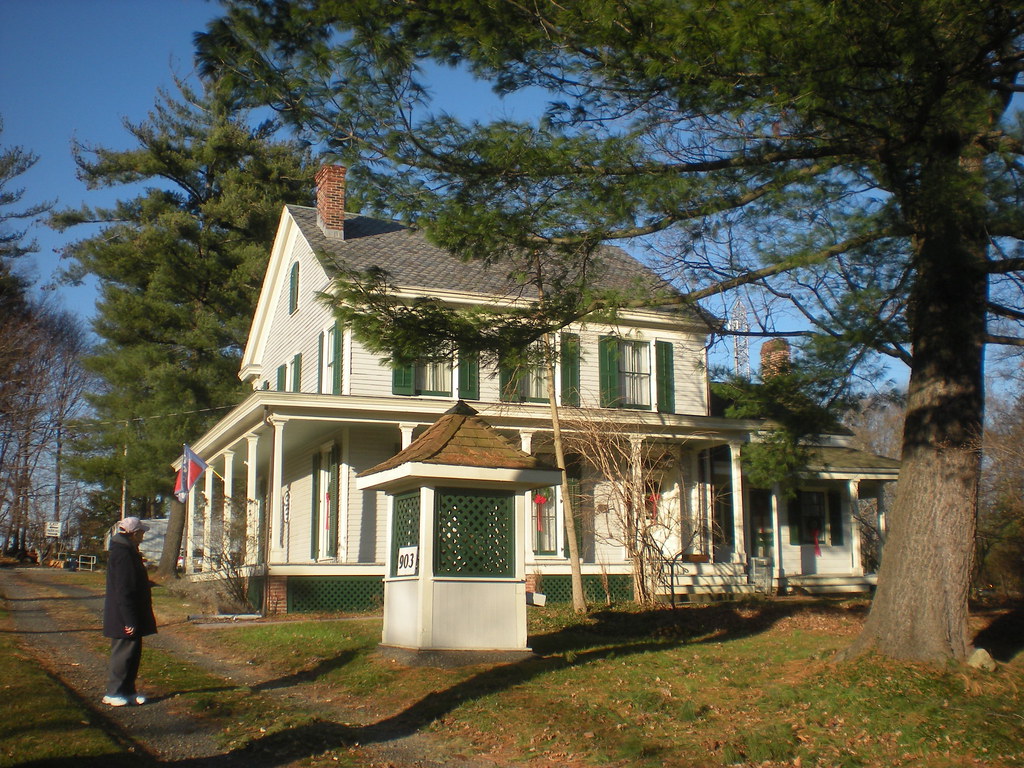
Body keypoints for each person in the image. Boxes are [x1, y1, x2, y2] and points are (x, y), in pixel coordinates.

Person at [102, 516, 157, 706]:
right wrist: (129, 620)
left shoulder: (129, 551)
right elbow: (123, 589)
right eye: (141, 532)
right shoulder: (123, 554)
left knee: (132, 655)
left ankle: (128, 691)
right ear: (133, 534)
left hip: (131, 612)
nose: (143, 535)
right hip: (123, 614)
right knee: (122, 655)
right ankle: (114, 692)